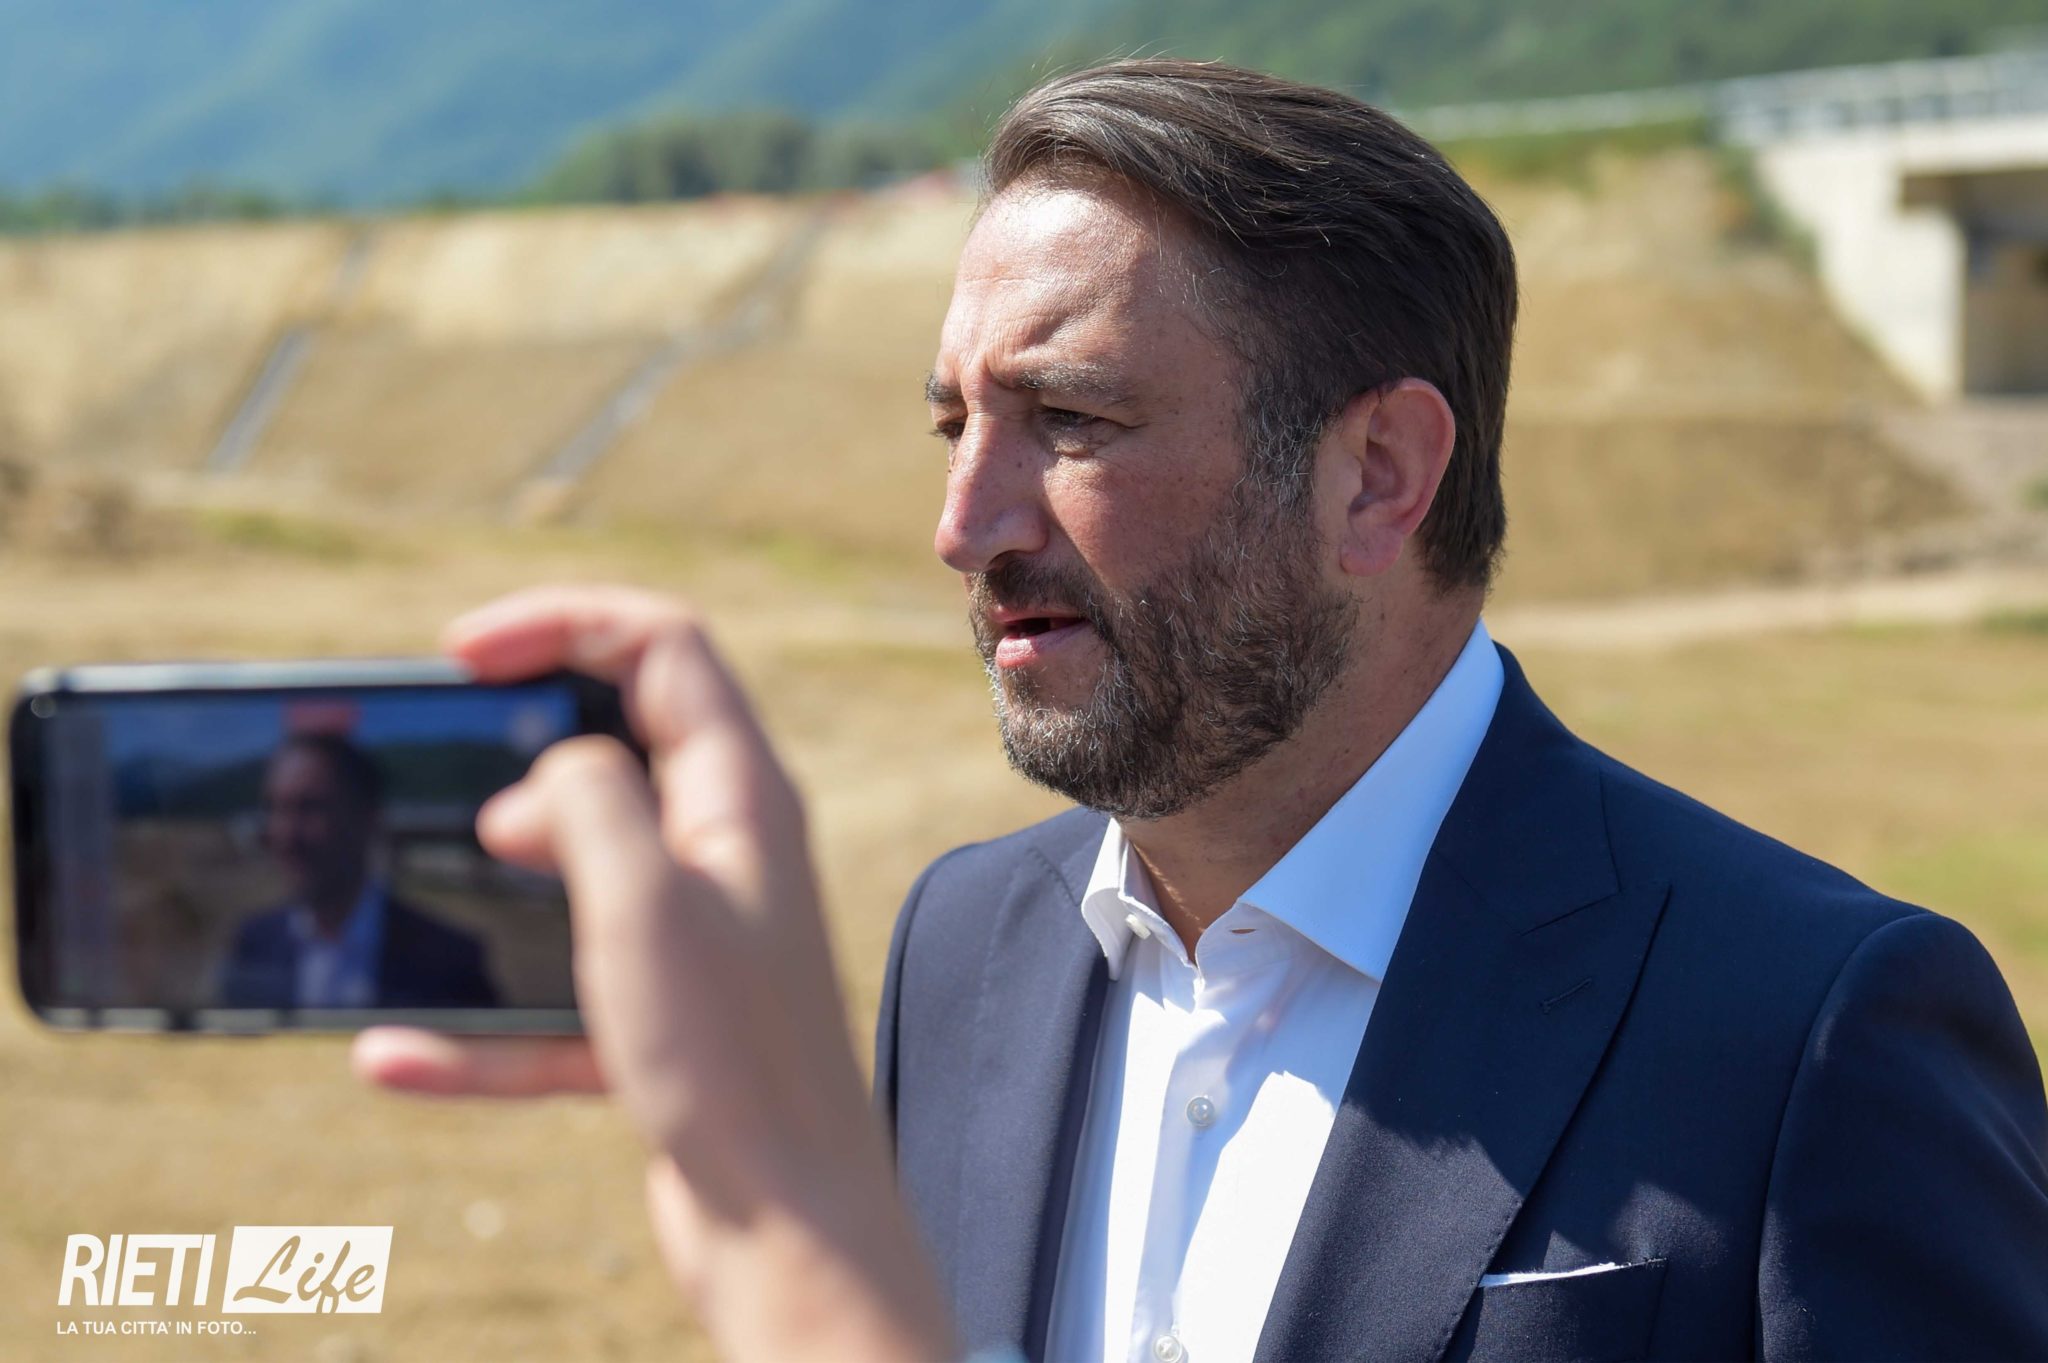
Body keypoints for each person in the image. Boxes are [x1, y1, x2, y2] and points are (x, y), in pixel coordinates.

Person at [356, 59, 2048, 1363]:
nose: (964, 521)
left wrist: (796, 1261)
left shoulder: (1815, 1029)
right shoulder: (959, 947)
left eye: (1069, 419)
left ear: (1375, 473)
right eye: (952, 424)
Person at [221, 732, 498, 1010]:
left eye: (310, 808)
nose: (285, 835)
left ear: (366, 817)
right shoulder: (252, 945)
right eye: (276, 809)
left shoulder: (450, 963)